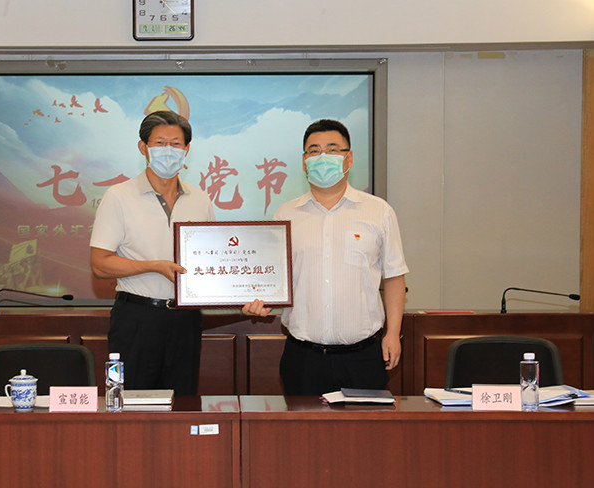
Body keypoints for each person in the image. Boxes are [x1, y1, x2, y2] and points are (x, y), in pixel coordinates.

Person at [243, 119, 408, 395]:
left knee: (364, 425)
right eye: (314, 151)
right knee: (302, 425)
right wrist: (258, 301)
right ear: (304, 161)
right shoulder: (285, 215)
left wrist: (392, 334)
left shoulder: (379, 212)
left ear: (349, 158)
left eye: (332, 150)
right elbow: (273, 280)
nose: (322, 157)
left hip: (363, 358)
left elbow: (394, 277)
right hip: (303, 357)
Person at [90, 111, 215, 395]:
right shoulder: (118, 196)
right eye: (159, 143)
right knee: (132, 402)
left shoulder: (200, 199)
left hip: (185, 319)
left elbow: (212, 259)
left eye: (176, 144)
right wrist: (155, 266)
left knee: (182, 401)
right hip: (137, 317)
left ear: (187, 149)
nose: (168, 151)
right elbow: (100, 264)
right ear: (143, 147)